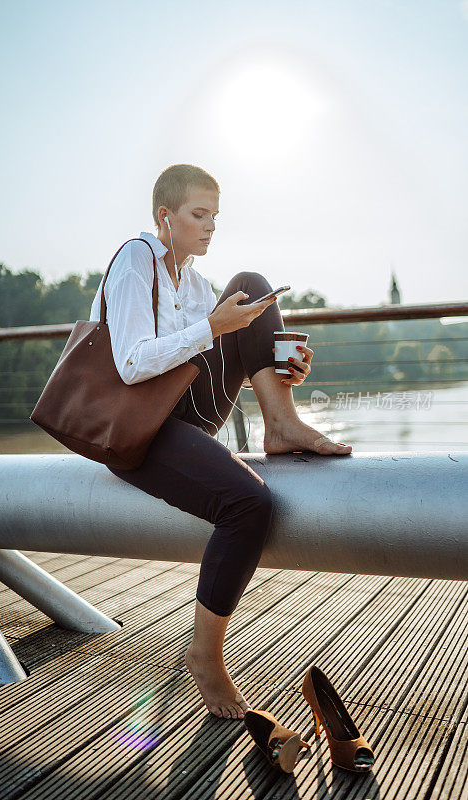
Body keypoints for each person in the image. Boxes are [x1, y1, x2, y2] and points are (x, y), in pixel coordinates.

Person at [89, 164, 352, 721]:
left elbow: (204, 352)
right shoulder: (137, 259)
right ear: (166, 216)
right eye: (198, 215)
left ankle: (280, 422)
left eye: (215, 216)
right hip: (139, 429)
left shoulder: (198, 282)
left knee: (252, 288)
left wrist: (276, 361)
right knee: (248, 502)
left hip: (186, 418)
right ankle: (204, 656)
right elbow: (132, 364)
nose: (210, 227)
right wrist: (214, 329)